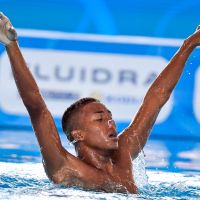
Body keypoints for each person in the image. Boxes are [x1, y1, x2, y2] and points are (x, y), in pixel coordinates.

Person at [0, 12, 199, 194]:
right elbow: (37, 108)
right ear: (78, 134)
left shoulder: (124, 152)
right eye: (100, 119)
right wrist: (11, 45)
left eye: (110, 117)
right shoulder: (65, 168)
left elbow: (157, 97)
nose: (111, 123)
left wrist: (188, 45)